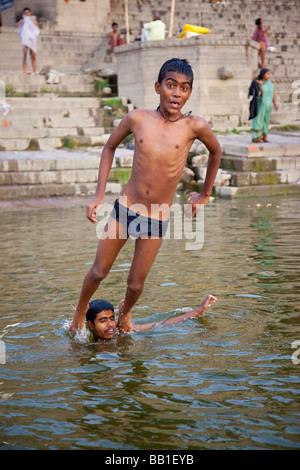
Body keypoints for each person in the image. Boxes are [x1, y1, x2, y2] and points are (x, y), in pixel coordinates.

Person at [69, 58, 222, 337]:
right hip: (126, 208)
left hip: (157, 217)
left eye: (184, 88)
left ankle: (125, 315)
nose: (177, 93)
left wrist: (204, 194)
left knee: (136, 285)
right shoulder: (137, 119)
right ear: (158, 87)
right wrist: (98, 194)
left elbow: (216, 151)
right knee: (99, 272)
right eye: (171, 85)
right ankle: (79, 311)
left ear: (189, 93)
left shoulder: (194, 126)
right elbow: (109, 147)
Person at [86, 296, 217, 342]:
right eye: (103, 321)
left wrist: (198, 311)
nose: (110, 325)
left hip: (126, 339)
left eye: (112, 319)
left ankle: (124, 311)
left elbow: (163, 324)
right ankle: (124, 311)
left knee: (125, 329)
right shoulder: (84, 341)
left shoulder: (120, 332)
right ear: (91, 325)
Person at [251, 68, 278, 143]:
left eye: (269, 74)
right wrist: (260, 85)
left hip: (268, 105)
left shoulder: (270, 84)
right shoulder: (257, 82)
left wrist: (275, 104)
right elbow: (254, 93)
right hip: (260, 105)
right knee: (259, 120)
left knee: (266, 120)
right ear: (263, 75)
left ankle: (264, 136)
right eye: (267, 74)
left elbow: (273, 94)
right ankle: (257, 137)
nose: (269, 75)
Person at [17, 7, 40, 75]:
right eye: (25, 13)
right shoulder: (22, 21)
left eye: (28, 12)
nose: (26, 14)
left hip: (32, 40)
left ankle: (35, 70)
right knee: (25, 55)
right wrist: (20, 24)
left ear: (30, 13)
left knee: (33, 56)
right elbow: (20, 30)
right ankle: (24, 71)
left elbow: (37, 30)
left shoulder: (34, 21)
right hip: (25, 40)